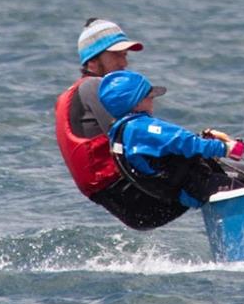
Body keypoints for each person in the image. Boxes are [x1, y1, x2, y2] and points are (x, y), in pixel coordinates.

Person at [55, 17, 188, 230]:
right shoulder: (94, 86)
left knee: (205, 166)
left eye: (124, 55)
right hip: (137, 195)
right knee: (207, 163)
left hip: (128, 201)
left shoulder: (80, 92)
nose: (124, 63)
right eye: (116, 55)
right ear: (92, 61)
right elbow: (135, 135)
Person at [98, 70, 244, 221]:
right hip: (196, 185)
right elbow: (184, 141)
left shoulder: (122, 132)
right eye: (149, 96)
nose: (152, 100)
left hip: (187, 190)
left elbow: (166, 150)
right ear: (135, 103)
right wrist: (226, 148)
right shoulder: (140, 127)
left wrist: (204, 140)